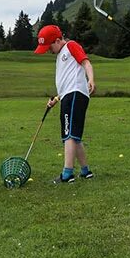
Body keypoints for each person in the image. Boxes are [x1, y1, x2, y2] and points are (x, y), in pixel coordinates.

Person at [34, 24, 96, 183]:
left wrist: (91, 79)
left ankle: (67, 174)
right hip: (68, 95)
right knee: (74, 136)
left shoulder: (71, 46)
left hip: (75, 94)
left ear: (57, 40)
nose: (48, 50)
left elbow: (86, 63)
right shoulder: (60, 56)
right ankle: (85, 171)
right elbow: (65, 84)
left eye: (49, 46)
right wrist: (55, 99)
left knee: (68, 134)